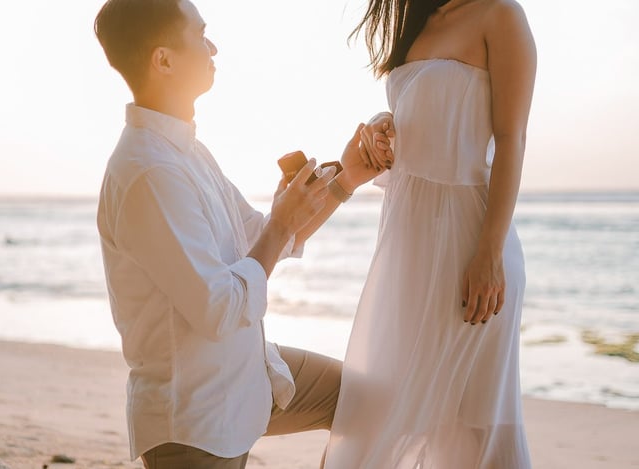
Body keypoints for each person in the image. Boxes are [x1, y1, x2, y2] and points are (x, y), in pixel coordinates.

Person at [92, 1, 392, 467]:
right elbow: (220, 308)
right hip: (196, 422)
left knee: (367, 402)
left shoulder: (186, 151)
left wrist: (346, 177)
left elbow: (260, 237)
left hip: (247, 376)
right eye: (200, 35)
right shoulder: (149, 172)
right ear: (164, 60)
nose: (213, 47)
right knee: (366, 403)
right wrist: (280, 223)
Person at [325, 0, 536, 467]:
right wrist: (385, 125)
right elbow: (429, 118)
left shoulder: (500, 13)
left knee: (479, 428)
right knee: (384, 410)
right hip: (408, 244)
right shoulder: (418, 22)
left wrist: (489, 253)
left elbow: (512, 139)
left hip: (470, 243)